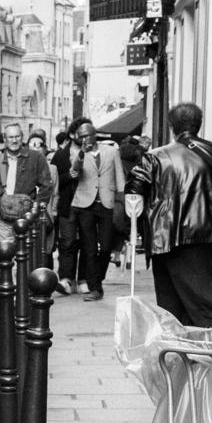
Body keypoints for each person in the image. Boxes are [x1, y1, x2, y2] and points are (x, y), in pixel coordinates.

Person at [128, 101, 212, 327]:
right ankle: (211, 345)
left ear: (172, 127)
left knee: (171, 302)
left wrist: (135, 229)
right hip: (209, 234)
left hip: (166, 238)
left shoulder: (154, 157)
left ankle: (181, 353)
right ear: (198, 125)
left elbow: (134, 190)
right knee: (207, 294)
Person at [0, 122, 55, 295]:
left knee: (26, 257)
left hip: (27, 218)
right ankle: (8, 295)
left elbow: (46, 185)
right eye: (10, 137)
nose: (14, 140)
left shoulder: (36, 158)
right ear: (5, 139)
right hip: (3, 219)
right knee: (5, 257)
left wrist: (35, 207)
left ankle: (24, 295)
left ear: (22, 138)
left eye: (17, 136)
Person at [62, 118, 123, 301]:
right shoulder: (77, 153)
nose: (84, 139)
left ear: (95, 135)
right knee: (89, 249)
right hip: (84, 205)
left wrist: (122, 199)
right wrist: (81, 152)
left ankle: (98, 278)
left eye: (87, 136)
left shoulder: (111, 151)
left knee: (105, 248)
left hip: (106, 203)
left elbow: (119, 176)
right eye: (81, 137)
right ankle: (95, 288)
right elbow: (76, 169)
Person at [48, 128, 79, 286]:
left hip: (89, 205)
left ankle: (84, 280)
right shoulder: (60, 155)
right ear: (73, 135)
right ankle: (66, 278)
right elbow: (52, 180)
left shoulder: (92, 154)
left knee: (87, 244)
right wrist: (68, 176)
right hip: (68, 204)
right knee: (67, 242)